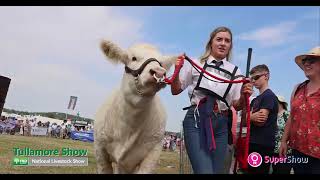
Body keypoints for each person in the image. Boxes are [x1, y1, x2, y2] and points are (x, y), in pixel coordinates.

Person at [171, 26, 253, 174]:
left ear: (230, 46)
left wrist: (243, 95)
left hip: (221, 125)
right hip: (196, 120)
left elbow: (237, 105)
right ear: (211, 43)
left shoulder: (236, 71)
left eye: (227, 41)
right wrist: (177, 71)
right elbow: (175, 90)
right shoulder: (196, 63)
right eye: (219, 39)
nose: (223, 43)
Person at [279, 47, 320, 174]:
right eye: (305, 61)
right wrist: (284, 141)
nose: (307, 63)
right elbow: (292, 117)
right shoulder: (298, 88)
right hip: (298, 152)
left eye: (312, 60)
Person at [247, 64, 278, 174]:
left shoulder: (269, 96)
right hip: (253, 142)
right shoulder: (255, 100)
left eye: (256, 77)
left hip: (263, 144)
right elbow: (245, 119)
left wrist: (249, 117)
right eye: (251, 79)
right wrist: (250, 117)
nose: (253, 81)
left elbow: (260, 120)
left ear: (266, 76)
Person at [269, 95, 292, 174]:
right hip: (272, 149)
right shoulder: (271, 115)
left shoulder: (287, 115)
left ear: (280, 103)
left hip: (285, 151)